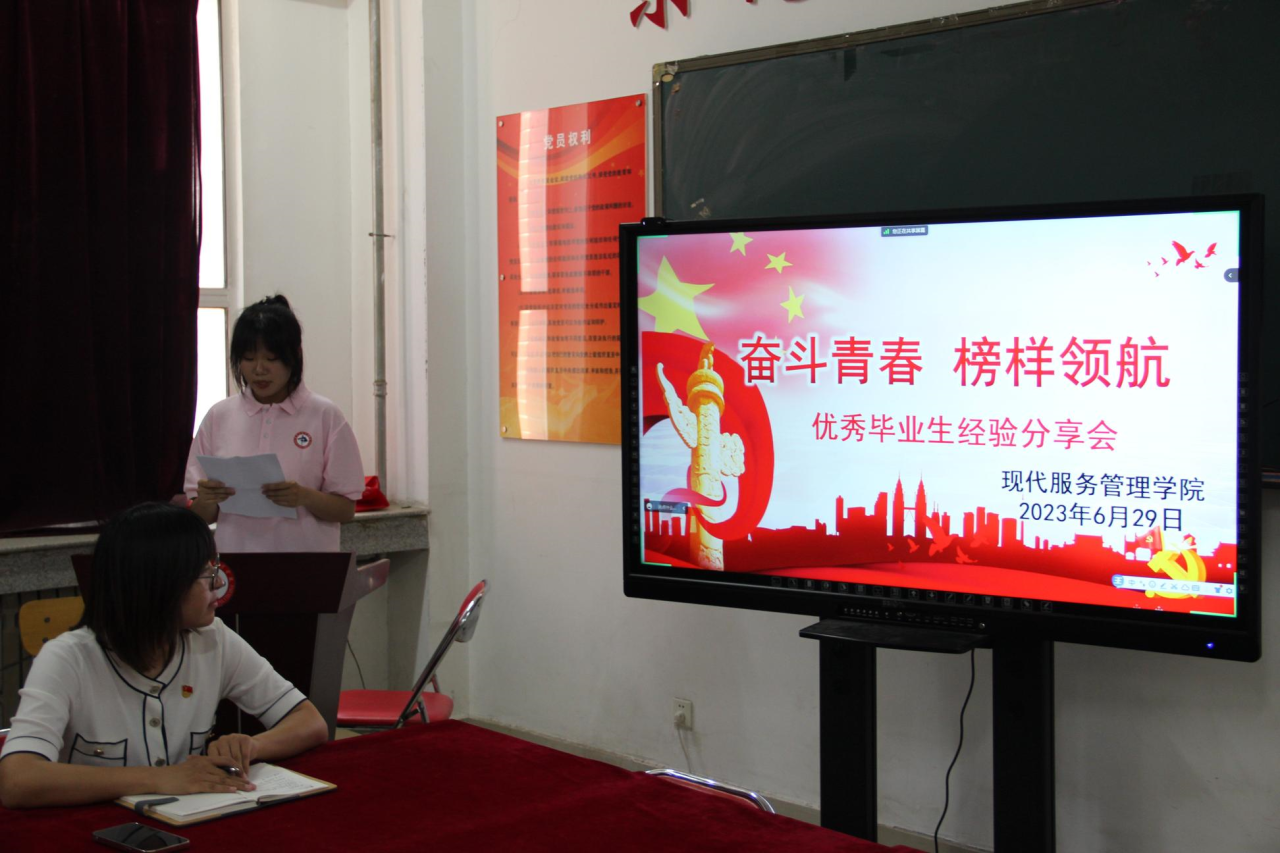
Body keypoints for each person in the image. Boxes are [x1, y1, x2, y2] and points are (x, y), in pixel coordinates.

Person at [0, 503, 328, 808]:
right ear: (161, 585)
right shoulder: (68, 659)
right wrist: (159, 778)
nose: (218, 584)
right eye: (206, 573)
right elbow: (17, 779)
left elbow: (310, 722)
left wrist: (253, 746)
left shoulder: (213, 640)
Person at [185, 295, 365, 552]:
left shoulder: (325, 415)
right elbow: (202, 515)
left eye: (271, 359)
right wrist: (207, 499)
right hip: (235, 563)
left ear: (295, 355)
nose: (259, 369)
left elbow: (346, 510)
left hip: (306, 565)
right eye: (248, 358)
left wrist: (304, 496)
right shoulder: (219, 416)